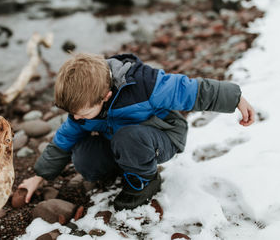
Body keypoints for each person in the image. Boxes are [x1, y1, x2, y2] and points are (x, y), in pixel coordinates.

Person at [19, 53, 255, 211]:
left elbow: (192, 91)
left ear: (105, 96)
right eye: (73, 113)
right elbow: (63, 141)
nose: (76, 117)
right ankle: (126, 165)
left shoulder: (146, 85)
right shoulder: (81, 108)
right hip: (121, 142)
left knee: (128, 137)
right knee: (83, 158)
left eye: (82, 112)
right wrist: (39, 176)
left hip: (162, 137)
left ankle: (145, 180)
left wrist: (235, 98)